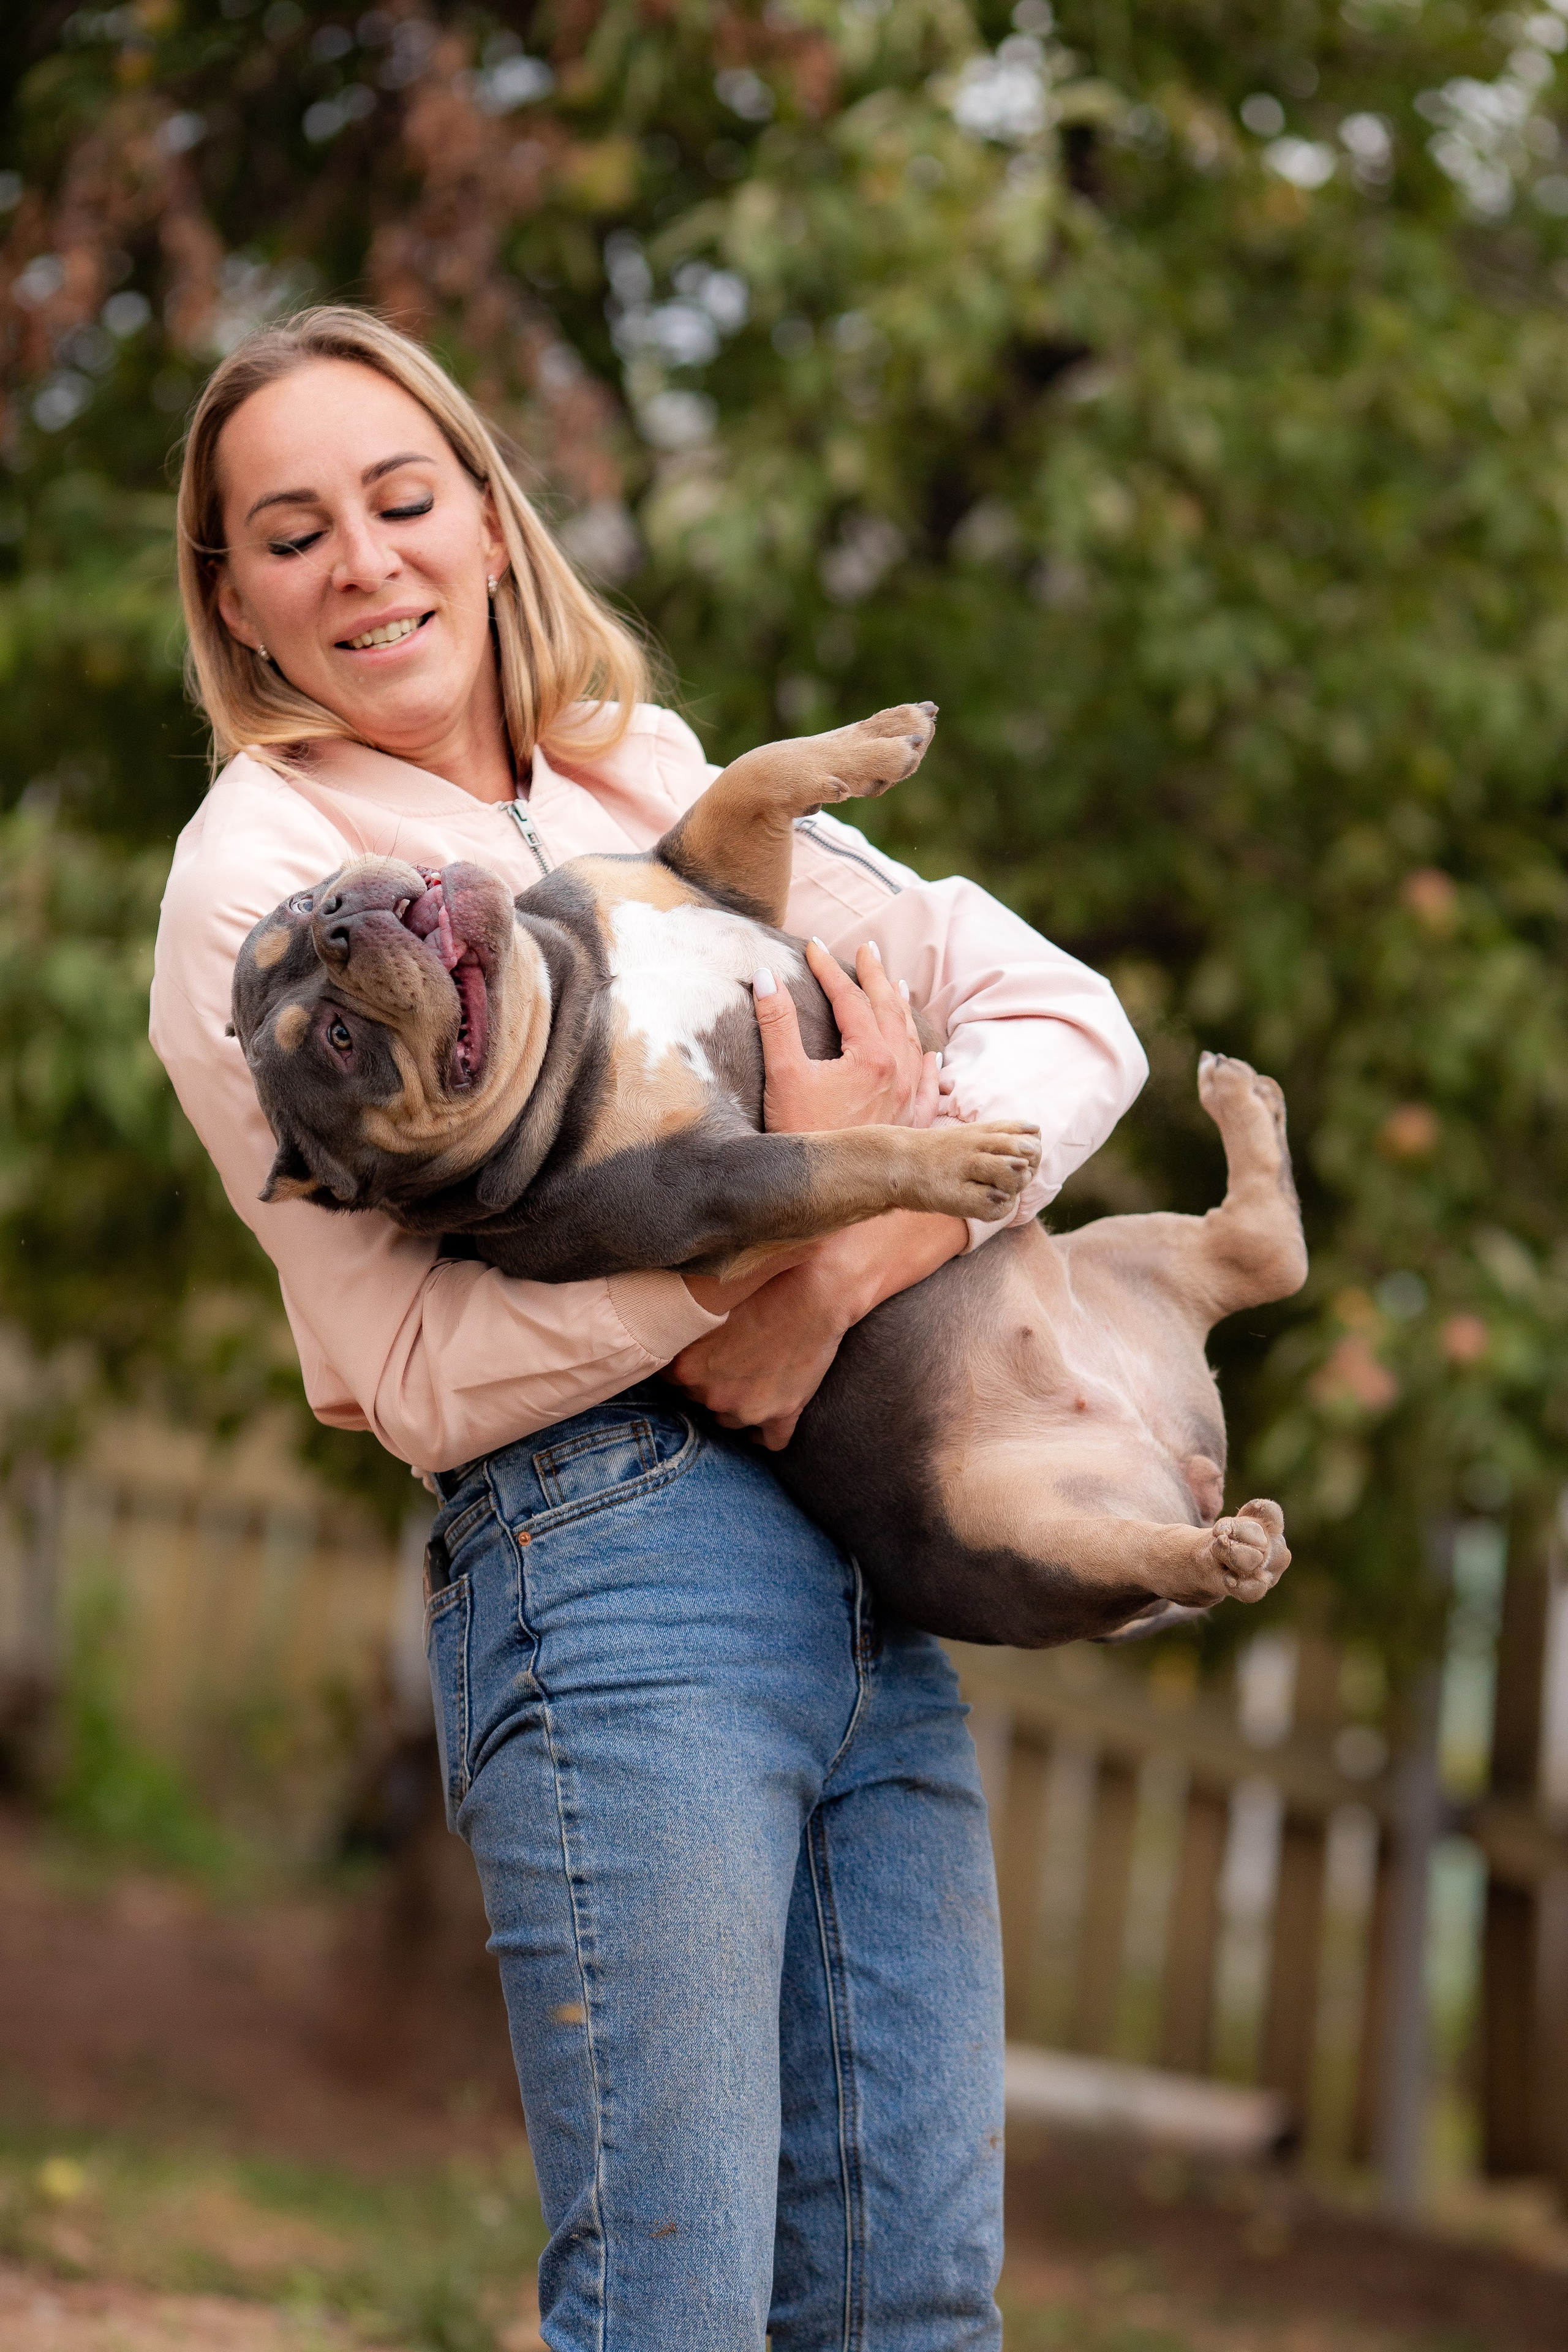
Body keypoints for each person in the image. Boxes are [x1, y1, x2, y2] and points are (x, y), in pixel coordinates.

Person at [150, 306, 1147, 2350]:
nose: (366, 562)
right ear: (234, 603)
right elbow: (418, 1370)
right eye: (293, 531)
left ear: (491, 525)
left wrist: (840, 1269)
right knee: (677, 2301)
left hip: (863, 1545)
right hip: (610, 1560)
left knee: (912, 2301)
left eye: (406, 498)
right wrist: (725, 1276)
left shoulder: (657, 778)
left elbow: (1063, 1019)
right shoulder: (267, 892)